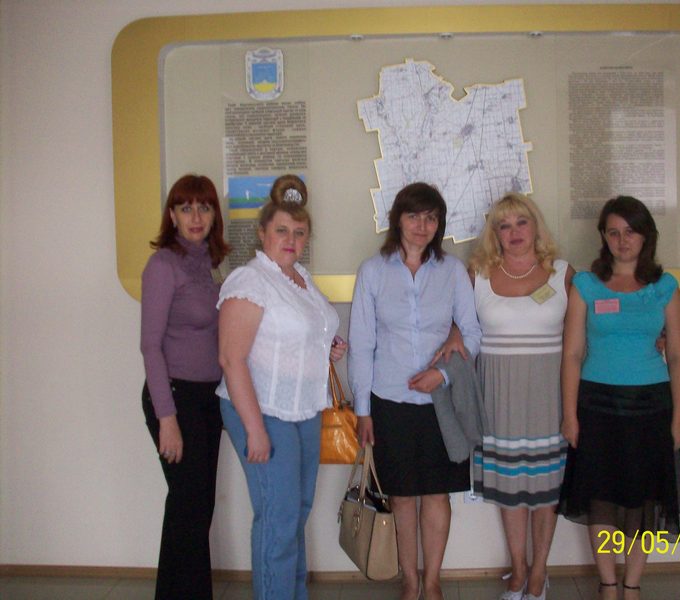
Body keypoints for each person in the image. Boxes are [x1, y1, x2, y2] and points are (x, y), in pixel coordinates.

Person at [348, 182, 482, 600]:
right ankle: (410, 582)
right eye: (413, 216)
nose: (422, 226)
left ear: (439, 224)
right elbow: (361, 344)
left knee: (437, 494)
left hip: (440, 404)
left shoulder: (452, 271)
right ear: (397, 220)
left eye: (431, 217)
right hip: (390, 402)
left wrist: (442, 375)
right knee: (403, 496)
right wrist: (363, 410)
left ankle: (433, 581)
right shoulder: (373, 271)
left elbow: (472, 333)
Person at [556, 196, 680, 600]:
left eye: (631, 231)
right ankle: (608, 585)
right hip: (596, 406)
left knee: (642, 500)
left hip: (651, 408)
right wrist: (569, 415)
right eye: (613, 232)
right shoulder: (586, 285)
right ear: (603, 237)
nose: (623, 240)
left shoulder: (665, 288)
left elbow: (679, 356)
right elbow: (572, 354)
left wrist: (679, 418)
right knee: (600, 498)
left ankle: (632, 584)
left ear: (646, 235)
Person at [216, 175, 345, 600]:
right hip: (263, 409)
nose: (291, 240)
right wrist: (254, 430)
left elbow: (299, 334)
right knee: (278, 517)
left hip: (303, 408)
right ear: (263, 233)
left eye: (299, 232)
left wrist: (328, 346)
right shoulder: (250, 280)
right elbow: (231, 359)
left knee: (296, 513)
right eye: (282, 230)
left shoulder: (298, 278)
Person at [468, 192, 573, 600]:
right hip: (499, 396)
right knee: (510, 491)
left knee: (547, 490)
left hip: (550, 395)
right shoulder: (477, 273)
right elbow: (457, 325)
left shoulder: (562, 273)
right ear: (494, 233)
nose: (513, 232)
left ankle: (539, 572)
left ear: (535, 226)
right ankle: (519, 569)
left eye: (521, 222)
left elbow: (588, 332)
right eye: (504, 225)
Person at [140, 174, 230, 600]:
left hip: (208, 399)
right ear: (172, 215)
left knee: (195, 508)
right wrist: (167, 419)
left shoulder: (211, 264)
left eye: (204, 207)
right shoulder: (163, 265)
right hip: (174, 399)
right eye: (186, 207)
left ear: (214, 215)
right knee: (189, 508)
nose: (196, 216)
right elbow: (150, 346)